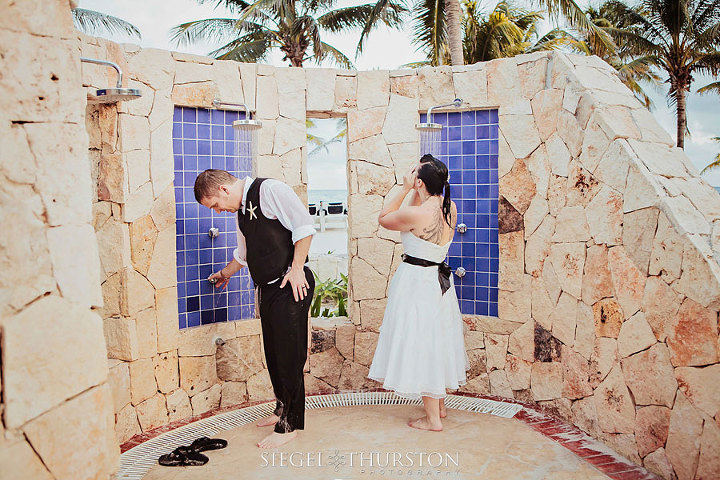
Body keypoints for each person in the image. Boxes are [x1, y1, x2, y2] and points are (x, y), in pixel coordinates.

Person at [194, 169, 315, 449]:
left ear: (224, 190)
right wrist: (226, 272)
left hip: (291, 283)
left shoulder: (271, 190)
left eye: (214, 205)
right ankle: (281, 410)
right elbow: (245, 255)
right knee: (273, 353)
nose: (217, 211)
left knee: (289, 355)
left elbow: (304, 228)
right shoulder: (240, 213)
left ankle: (289, 426)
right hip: (268, 289)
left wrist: (297, 269)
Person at [368, 154, 470, 431]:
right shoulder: (451, 208)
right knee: (437, 340)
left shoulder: (414, 213)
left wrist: (404, 189)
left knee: (423, 343)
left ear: (420, 182)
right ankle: (440, 406)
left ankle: (433, 420)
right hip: (439, 285)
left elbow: (383, 218)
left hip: (417, 283)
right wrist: (417, 189)